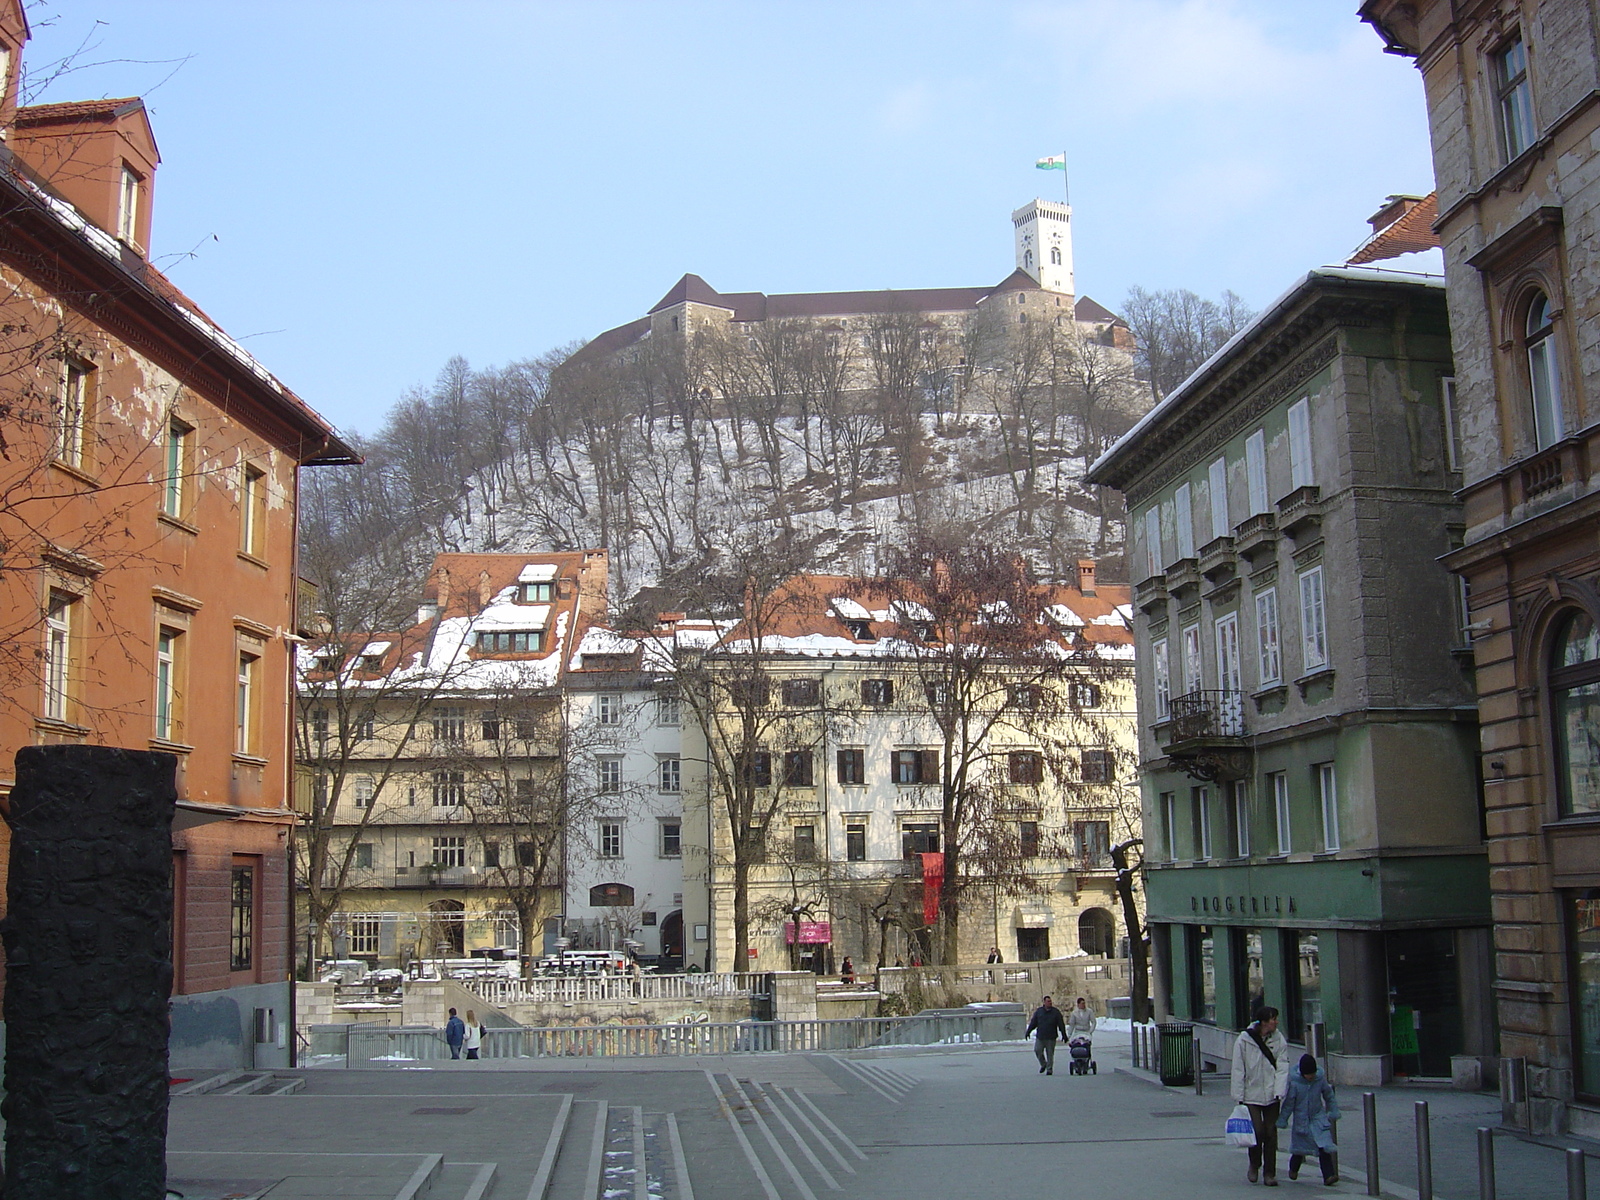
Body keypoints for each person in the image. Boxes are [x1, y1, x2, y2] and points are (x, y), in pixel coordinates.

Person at [1231, 1005, 1290, 1186]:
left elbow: (1282, 1067)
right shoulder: (1244, 1040)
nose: (1276, 1022)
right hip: (1251, 1094)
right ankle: (1254, 1163)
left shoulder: (1279, 1040)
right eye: (1273, 1019)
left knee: (1271, 1133)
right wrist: (1239, 1096)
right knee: (1257, 1131)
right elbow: (1238, 1068)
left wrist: (1280, 1091)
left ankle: (1269, 1173)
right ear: (1264, 1022)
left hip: (1272, 1094)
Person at [1277, 1053, 1340, 1185]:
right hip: (1302, 1121)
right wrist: (1283, 1119)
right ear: (1302, 1073)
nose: (1311, 1076)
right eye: (1308, 1074)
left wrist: (1333, 1110)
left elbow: (1329, 1095)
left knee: (1324, 1147)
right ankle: (1293, 1169)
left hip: (1318, 1118)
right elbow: (1289, 1104)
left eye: (1313, 1073)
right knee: (1299, 1150)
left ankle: (1328, 1176)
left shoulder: (1320, 1080)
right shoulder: (1295, 1083)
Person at [1024, 995, 1067, 1075]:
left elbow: (1061, 1024)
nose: (1050, 1003)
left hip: (1051, 1036)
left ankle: (1049, 1069)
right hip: (1041, 1036)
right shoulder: (1039, 1011)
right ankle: (1044, 1064)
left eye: (1050, 1001)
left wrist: (1064, 1035)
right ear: (1044, 1002)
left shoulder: (1055, 1012)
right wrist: (1028, 1031)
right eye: (1048, 1001)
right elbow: (1033, 1023)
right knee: (1037, 1050)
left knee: (1050, 1054)